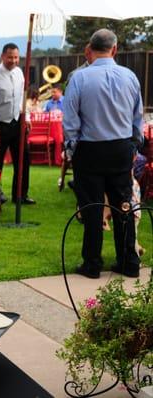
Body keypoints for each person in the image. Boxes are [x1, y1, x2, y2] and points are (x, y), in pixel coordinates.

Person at [63, 29, 143, 279]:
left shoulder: (79, 78)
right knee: (124, 207)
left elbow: (70, 121)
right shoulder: (130, 76)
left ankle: (92, 264)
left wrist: (72, 148)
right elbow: (137, 117)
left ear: (90, 48)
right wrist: (133, 145)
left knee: (92, 209)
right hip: (120, 148)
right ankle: (129, 262)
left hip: (90, 150)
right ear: (114, 49)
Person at [0, 43, 35, 205]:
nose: (13, 60)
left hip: (17, 121)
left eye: (16, 57)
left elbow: (20, 98)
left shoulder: (20, 73)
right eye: (10, 57)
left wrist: (26, 118)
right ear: (3, 57)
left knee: (23, 159)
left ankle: (20, 194)